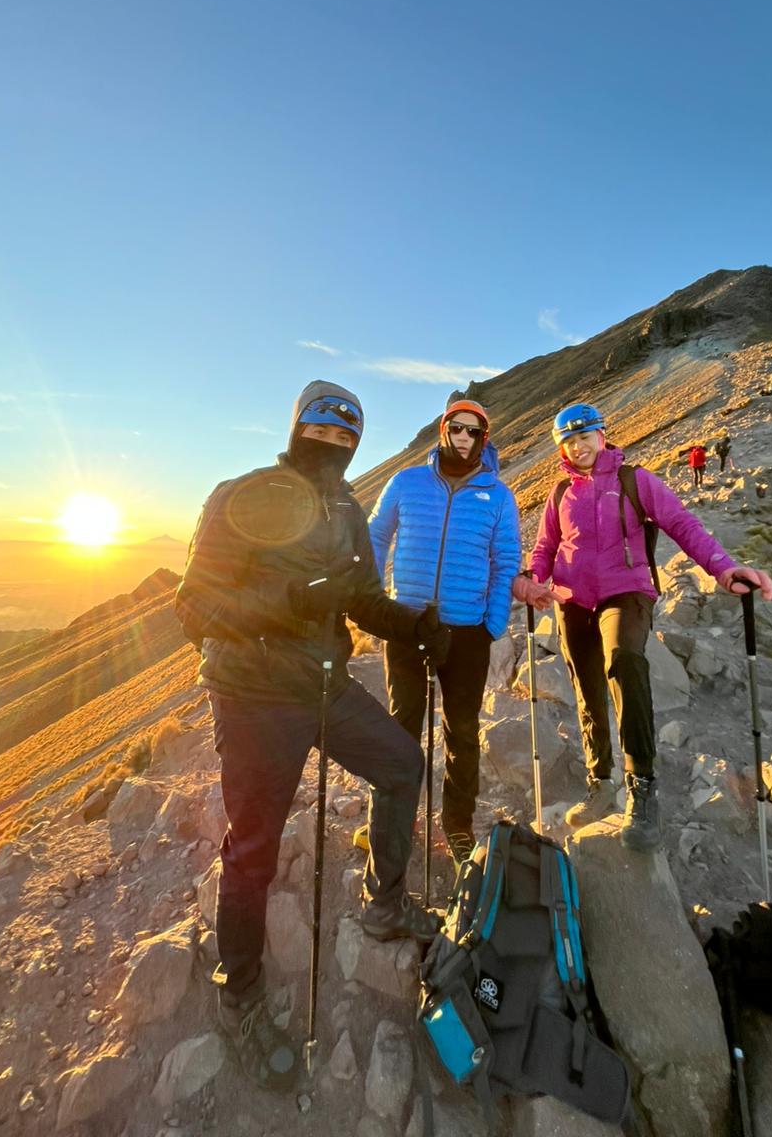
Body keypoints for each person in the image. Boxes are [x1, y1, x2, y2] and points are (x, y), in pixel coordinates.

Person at [175, 380, 450, 1090]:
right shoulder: (245, 494)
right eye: (321, 433)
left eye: (345, 440)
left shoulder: (347, 510)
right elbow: (195, 603)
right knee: (254, 849)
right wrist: (290, 601)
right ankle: (239, 995)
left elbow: (357, 599)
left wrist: (410, 626)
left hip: (324, 686)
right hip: (254, 695)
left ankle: (382, 901)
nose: (332, 448)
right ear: (297, 429)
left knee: (401, 766)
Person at [513, 402, 772, 852]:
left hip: (626, 593)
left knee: (625, 662)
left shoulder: (636, 481)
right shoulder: (560, 495)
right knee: (587, 690)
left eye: (585, 436)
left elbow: (682, 524)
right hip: (572, 600)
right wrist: (533, 580)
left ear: (602, 434)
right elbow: (546, 546)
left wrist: (723, 568)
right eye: (569, 441)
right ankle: (601, 780)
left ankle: (642, 787)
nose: (578, 447)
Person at [366, 397, 521, 865]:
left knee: (463, 732)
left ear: (484, 439)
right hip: (407, 623)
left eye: (475, 432)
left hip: (466, 630)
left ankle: (456, 825)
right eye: (458, 428)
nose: (465, 438)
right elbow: (376, 534)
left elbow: (506, 559)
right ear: (444, 430)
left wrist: (492, 624)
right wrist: (375, 604)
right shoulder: (406, 481)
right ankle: (395, 821)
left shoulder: (498, 495)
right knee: (402, 727)